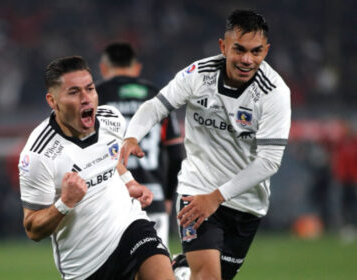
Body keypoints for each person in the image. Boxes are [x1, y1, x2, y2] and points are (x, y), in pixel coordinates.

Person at [120, 10, 291, 280]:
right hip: (196, 191)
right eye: (239, 50)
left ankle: (178, 267)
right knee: (208, 277)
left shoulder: (274, 93)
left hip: (246, 203)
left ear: (266, 51)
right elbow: (156, 106)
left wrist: (217, 198)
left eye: (256, 51)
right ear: (223, 46)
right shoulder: (199, 75)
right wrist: (131, 136)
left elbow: (269, 161)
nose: (247, 60)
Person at [18, 55, 175, 280]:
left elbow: (111, 160)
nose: (86, 99)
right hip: (86, 265)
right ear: (52, 101)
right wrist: (65, 203)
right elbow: (33, 228)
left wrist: (129, 182)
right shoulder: (38, 155)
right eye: (74, 92)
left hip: (130, 227)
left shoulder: (112, 120)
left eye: (90, 89)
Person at [96, 42, 185, 247]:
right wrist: (168, 198)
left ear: (103, 68)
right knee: (155, 270)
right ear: (136, 68)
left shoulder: (94, 97)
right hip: (153, 196)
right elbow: (177, 155)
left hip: (108, 198)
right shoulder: (157, 97)